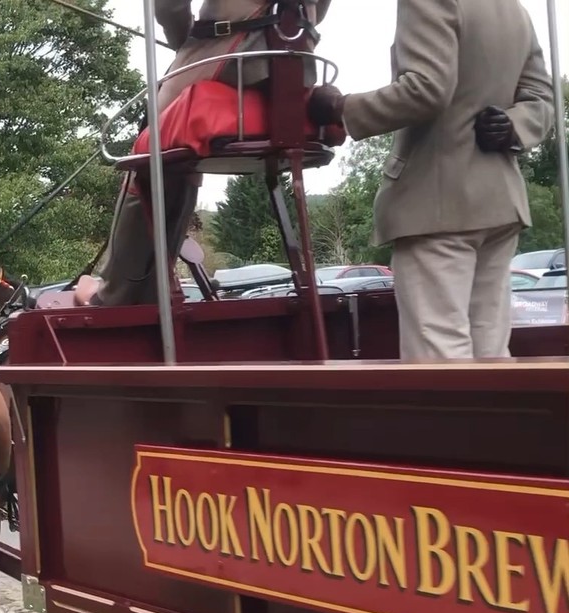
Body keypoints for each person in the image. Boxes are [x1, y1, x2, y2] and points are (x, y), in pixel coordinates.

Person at [306, 0, 555, 360]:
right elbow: (541, 99)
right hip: (501, 202)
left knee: (439, 355)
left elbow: (426, 89)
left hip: (435, 203)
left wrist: (340, 108)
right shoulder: (513, 8)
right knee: (491, 349)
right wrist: (513, 125)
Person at [76, 0, 333, 307]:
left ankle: (116, 292)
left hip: (233, 54)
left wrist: (186, 41)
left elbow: (170, 7)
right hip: (299, 64)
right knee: (178, 142)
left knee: (151, 143)